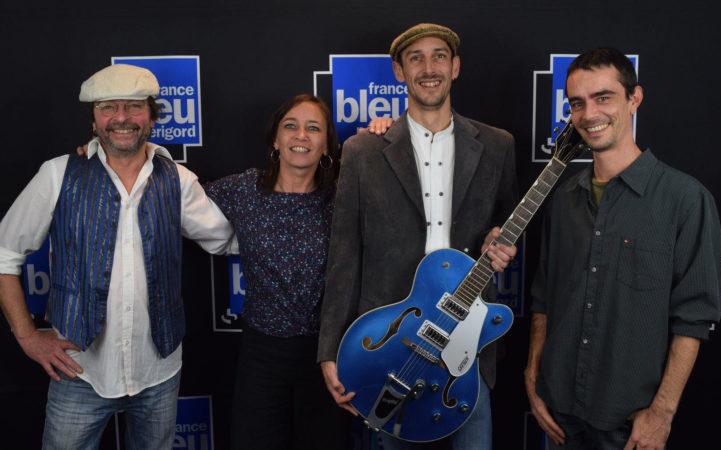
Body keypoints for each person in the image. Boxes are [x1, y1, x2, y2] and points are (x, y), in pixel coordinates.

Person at [0, 64, 235, 449]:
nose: (121, 118)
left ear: (152, 116)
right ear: (93, 119)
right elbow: (4, 254)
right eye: (108, 107)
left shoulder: (178, 179)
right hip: (80, 371)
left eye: (134, 106)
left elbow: (226, 240)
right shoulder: (58, 174)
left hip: (157, 370)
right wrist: (26, 336)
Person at [317, 23, 519, 450]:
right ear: (398, 71)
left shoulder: (498, 145)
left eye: (439, 56)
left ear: (456, 66)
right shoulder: (363, 152)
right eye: (416, 58)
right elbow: (344, 255)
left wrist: (498, 243)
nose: (429, 68)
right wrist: (329, 351)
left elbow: (504, 229)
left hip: (468, 347)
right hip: (392, 346)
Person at [524, 48, 721, 450]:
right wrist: (533, 376)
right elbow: (544, 296)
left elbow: (693, 320)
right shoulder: (563, 200)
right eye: (577, 103)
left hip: (630, 425)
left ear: (634, 99)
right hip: (559, 414)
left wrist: (662, 414)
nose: (589, 114)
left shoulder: (685, 199)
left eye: (603, 97)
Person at [204, 94, 347, 450]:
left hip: (326, 354)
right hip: (261, 354)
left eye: (314, 128)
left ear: (327, 144)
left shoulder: (343, 198)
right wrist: (113, 156)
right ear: (275, 139)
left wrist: (385, 133)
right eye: (291, 126)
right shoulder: (243, 190)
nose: (302, 136)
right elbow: (172, 197)